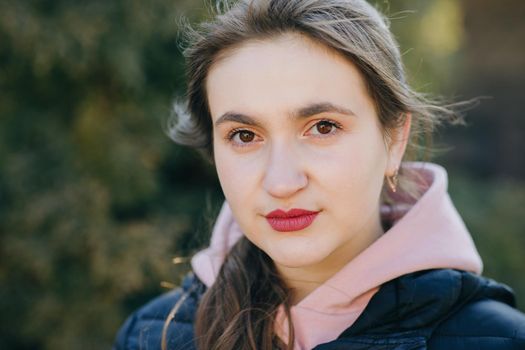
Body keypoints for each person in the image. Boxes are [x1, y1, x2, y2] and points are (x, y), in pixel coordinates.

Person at [113, 0, 525, 349]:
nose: (281, 182)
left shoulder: (498, 339)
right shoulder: (152, 336)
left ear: (395, 139)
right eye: (244, 135)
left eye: (323, 127)